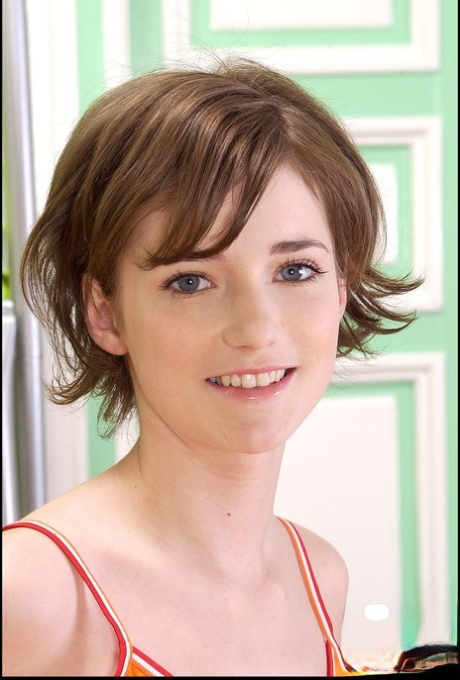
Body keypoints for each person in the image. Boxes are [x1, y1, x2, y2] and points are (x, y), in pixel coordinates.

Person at [2, 54, 423, 677]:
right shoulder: (31, 594)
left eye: (295, 270)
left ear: (342, 286)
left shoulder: (320, 577)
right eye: (191, 280)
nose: (256, 330)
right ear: (106, 313)